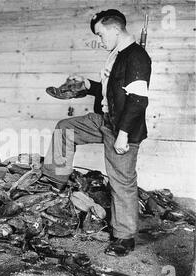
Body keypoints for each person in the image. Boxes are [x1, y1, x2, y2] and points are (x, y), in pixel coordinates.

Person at [42, 9, 152, 257]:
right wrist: (87, 84)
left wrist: (123, 133)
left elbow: (137, 100)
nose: (100, 41)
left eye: (101, 35)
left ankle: (124, 238)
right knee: (65, 128)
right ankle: (55, 179)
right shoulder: (117, 54)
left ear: (114, 29)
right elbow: (110, 91)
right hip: (104, 119)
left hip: (123, 126)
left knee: (121, 181)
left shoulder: (137, 56)